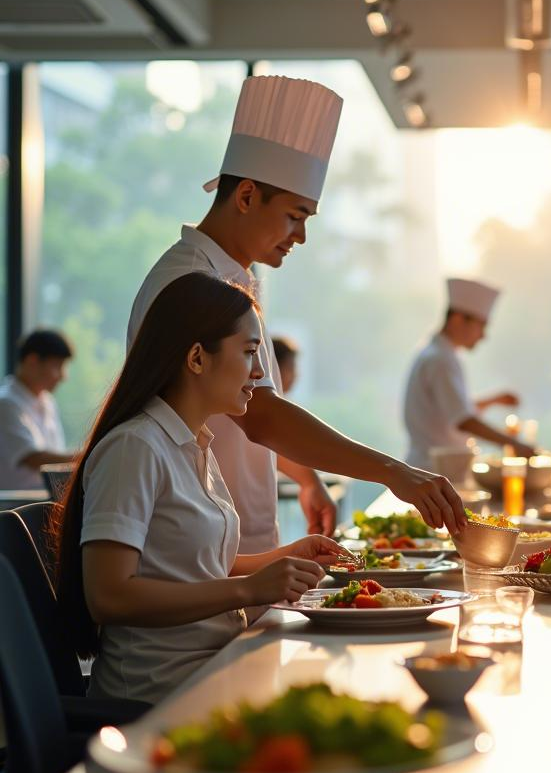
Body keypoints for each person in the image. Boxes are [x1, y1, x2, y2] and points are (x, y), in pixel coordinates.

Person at [129, 75, 466, 553]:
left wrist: (305, 477)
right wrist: (393, 472)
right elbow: (260, 416)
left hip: (239, 542)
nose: (300, 236)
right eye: (296, 215)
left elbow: (243, 406)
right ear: (245, 196)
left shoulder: (234, 277)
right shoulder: (191, 283)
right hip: (198, 557)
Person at [51, 273, 353, 704]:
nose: (260, 371)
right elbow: (109, 596)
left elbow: (190, 567)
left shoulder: (194, 443)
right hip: (159, 696)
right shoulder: (134, 447)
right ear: (197, 358)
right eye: (249, 352)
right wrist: (250, 590)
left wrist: (287, 555)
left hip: (212, 670)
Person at [403, 278, 532, 470]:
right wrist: (515, 444)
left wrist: (493, 400)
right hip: (434, 470)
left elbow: (451, 409)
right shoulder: (440, 359)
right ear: (458, 319)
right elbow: (462, 420)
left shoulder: (440, 354)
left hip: (438, 468)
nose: (483, 335)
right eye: (482, 325)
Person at [0, 329, 77, 490]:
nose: (63, 376)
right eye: (57, 366)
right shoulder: (5, 403)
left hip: (41, 503)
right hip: (15, 509)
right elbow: (33, 458)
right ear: (32, 361)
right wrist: (87, 455)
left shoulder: (47, 402)